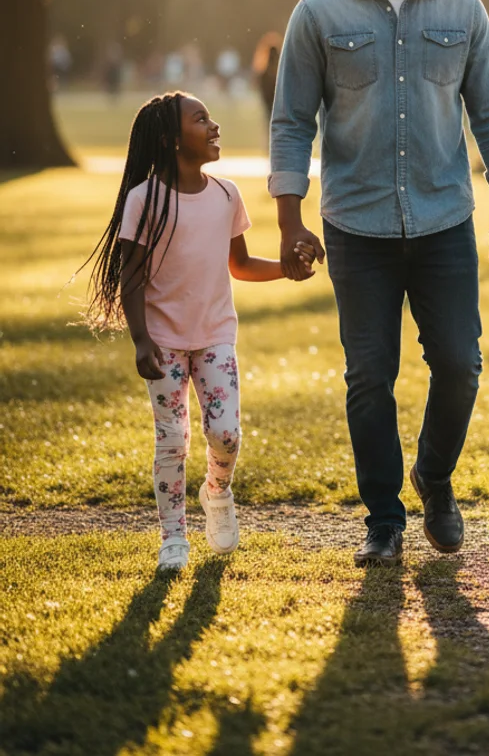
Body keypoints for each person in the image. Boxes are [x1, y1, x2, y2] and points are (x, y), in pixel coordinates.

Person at [269, 0, 489, 569]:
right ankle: (383, 518)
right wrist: (290, 221)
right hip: (357, 228)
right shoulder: (319, 14)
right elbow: (292, 122)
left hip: (445, 221)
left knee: (459, 364)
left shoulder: (465, 11)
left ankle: (434, 478)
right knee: (368, 376)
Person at [81, 91, 314, 571]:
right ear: (170, 139)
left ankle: (217, 490)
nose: (214, 126)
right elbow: (131, 277)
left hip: (215, 337)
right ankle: (174, 539)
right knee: (172, 440)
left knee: (225, 433)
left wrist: (287, 268)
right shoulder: (144, 200)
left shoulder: (226, 193)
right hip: (164, 342)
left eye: (211, 117)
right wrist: (142, 339)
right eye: (200, 119)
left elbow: (241, 264)